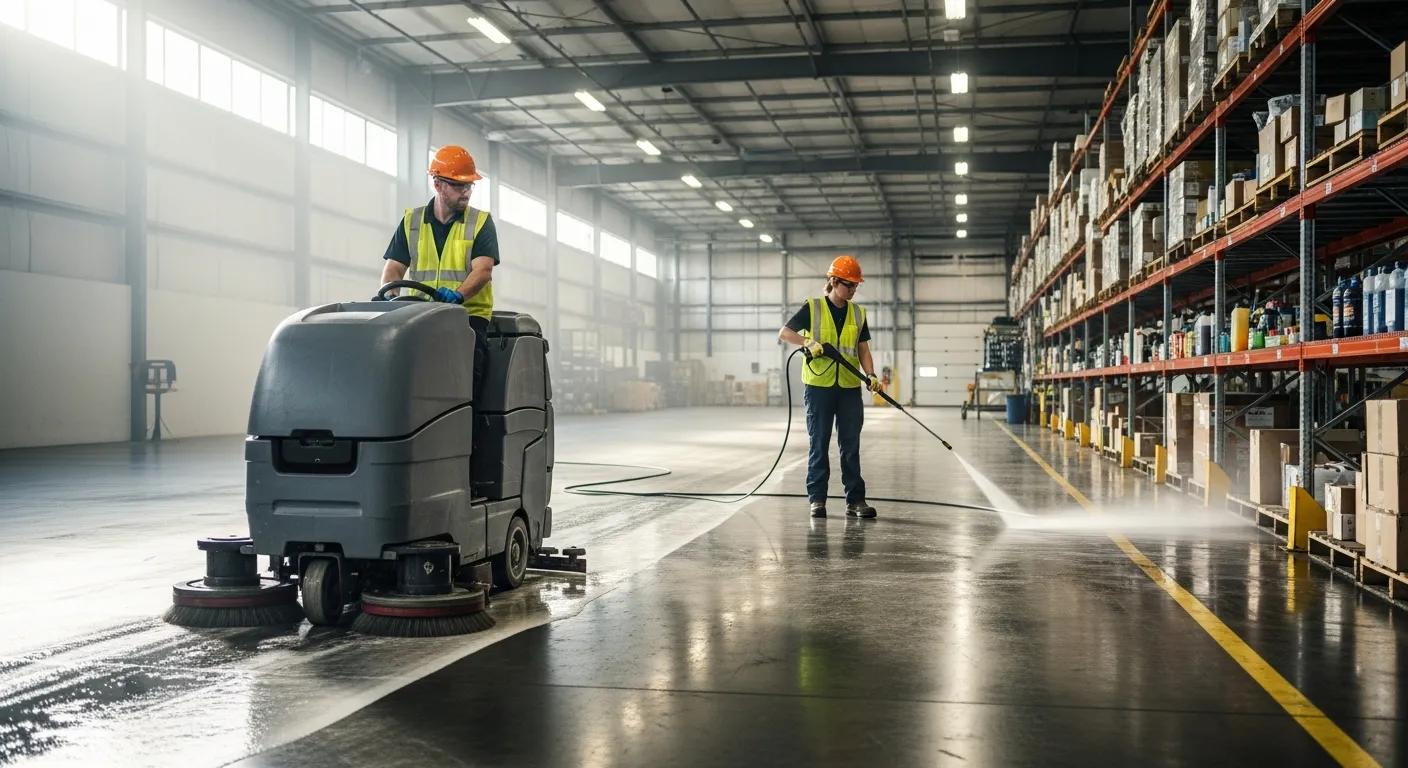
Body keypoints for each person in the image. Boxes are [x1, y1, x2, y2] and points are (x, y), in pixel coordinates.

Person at [381, 145, 500, 394]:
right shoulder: (411, 222)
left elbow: (483, 270)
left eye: (469, 186)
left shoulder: (480, 222)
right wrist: (388, 298)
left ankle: (468, 431)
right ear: (437, 184)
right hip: (420, 320)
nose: (466, 192)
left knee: (463, 387)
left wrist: (458, 295)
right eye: (459, 186)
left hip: (467, 319)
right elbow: (393, 269)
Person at [778, 255, 885, 520]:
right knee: (819, 443)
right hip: (819, 387)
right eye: (850, 285)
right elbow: (784, 333)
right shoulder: (813, 308)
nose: (853, 290)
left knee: (850, 445)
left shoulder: (858, 313)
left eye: (856, 286)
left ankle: (855, 501)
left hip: (849, 388)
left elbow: (862, 348)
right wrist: (806, 342)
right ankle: (817, 500)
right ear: (834, 281)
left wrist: (870, 374)